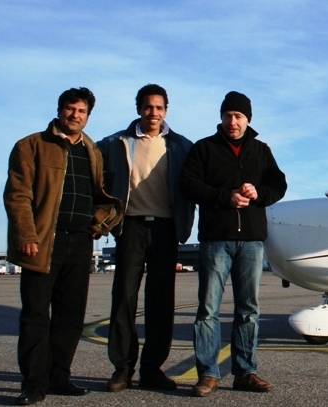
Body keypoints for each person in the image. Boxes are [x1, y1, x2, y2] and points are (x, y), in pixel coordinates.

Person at [4, 87, 122, 406]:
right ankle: (33, 383)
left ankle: (59, 376)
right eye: (70, 109)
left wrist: (98, 223)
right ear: (59, 110)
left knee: (70, 316)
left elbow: (99, 195)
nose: (75, 115)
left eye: (82, 111)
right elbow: (17, 195)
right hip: (44, 241)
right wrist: (27, 235)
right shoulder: (32, 145)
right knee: (35, 316)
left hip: (79, 242)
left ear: (88, 116)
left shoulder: (92, 151)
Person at [179, 91, 287, 397]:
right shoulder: (204, 148)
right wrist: (224, 196)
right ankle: (207, 374)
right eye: (228, 115)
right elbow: (188, 184)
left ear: (248, 119)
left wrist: (259, 194)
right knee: (208, 309)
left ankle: (245, 372)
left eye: (238, 116)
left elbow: (278, 184)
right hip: (216, 239)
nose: (233, 121)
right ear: (221, 117)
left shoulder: (261, 151)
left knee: (248, 309)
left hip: (251, 242)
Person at [97, 84, 195, 392]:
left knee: (161, 302)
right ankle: (123, 368)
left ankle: (152, 369)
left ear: (166, 110)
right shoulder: (114, 143)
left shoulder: (182, 146)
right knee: (124, 298)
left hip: (165, 229)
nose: (154, 113)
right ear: (139, 108)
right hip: (130, 227)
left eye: (159, 107)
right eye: (148, 107)